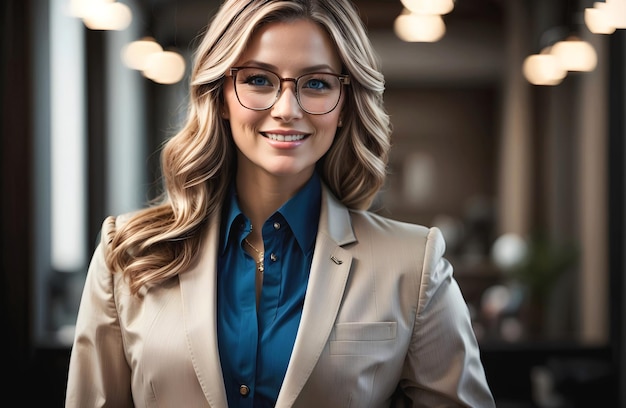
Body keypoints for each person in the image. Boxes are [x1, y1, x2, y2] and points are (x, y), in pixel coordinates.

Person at [65, 0, 496, 406]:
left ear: (344, 103)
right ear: (220, 97)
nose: (287, 108)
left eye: (316, 83)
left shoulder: (414, 263)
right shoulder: (128, 252)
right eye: (257, 79)